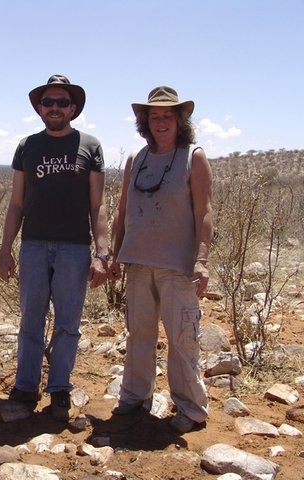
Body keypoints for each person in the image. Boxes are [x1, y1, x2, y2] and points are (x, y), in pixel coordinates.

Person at [0, 75, 110, 422]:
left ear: (73, 108)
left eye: (63, 102)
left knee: (68, 324)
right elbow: (16, 203)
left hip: (74, 248)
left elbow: (98, 204)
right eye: (49, 102)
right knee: (30, 320)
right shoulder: (27, 146)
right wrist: (6, 248)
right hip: (32, 245)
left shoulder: (89, 145)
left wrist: (102, 252)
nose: (56, 108)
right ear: (40, 108)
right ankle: (26, 385)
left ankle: (59, 387)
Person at [108, 86, 212, 434]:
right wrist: (112, 253)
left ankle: (191, 407)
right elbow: (122, 210)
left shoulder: (193, 156)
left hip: (177, 266)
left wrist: (202, 259)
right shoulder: (136, 159)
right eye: (155, 115)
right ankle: (135, 396)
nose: (161, 121)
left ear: (180, 120)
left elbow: (204, 211)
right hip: (137, 262)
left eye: (168, 115)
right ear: (145, 120)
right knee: (138, 333)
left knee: (182, 337)